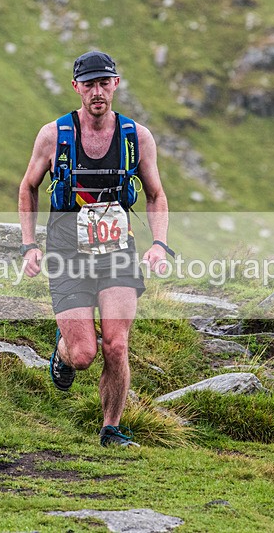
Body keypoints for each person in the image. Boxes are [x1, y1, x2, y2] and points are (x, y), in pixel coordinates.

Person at [18, 51, 171, 447]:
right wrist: (29, 246)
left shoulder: (137, 137)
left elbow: (155, 194)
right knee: (84, 354)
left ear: (116, 84)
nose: (97, 92)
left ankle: (111, 429)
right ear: (76, 88)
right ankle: (63, 349)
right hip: (67, 250)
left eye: (105, 83)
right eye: (89, 85)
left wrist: (158, 244)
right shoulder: (54, 135)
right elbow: (28, 187)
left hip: (117, 248)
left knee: (117, 345)